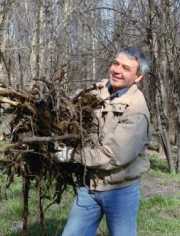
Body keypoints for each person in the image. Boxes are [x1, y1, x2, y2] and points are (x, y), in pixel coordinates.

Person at [54, 46, 152, 236]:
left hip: (119, 190)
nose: (117, 70)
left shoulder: (137, 111)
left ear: (138, 77)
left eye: (126, 68)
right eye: (115, 64)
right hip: (89, 184)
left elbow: (113, 156)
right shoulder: (98, 90)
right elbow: (70, 109)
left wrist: (71, 155)